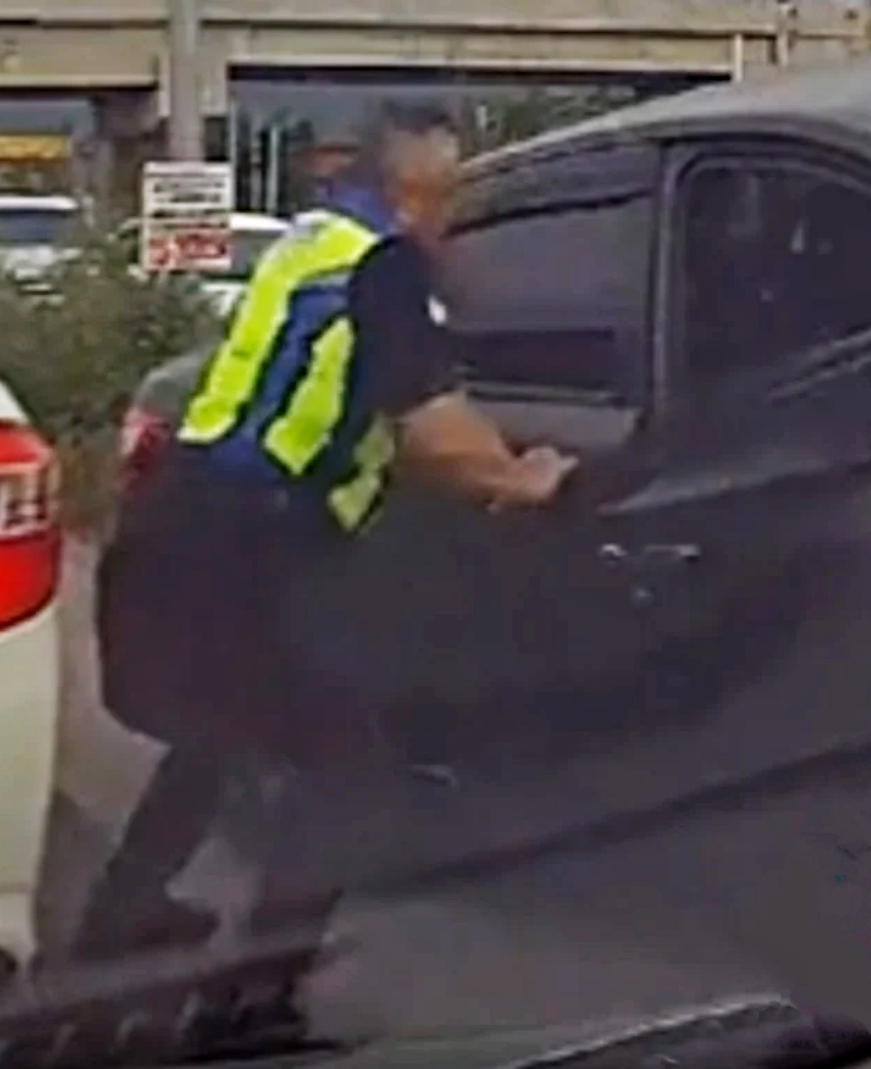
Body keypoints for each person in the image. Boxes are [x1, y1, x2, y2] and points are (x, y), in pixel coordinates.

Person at [71, 101, 579, 970]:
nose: (452, 219)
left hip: (190, 509)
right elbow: (429, 425)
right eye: (444, 195)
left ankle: (117, 920)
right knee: (346, 769)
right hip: (263, 535)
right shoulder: (386, 267)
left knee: (218, 730)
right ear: (408, 192)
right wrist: (519, 479)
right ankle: (259, 992)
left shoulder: (308, 243)